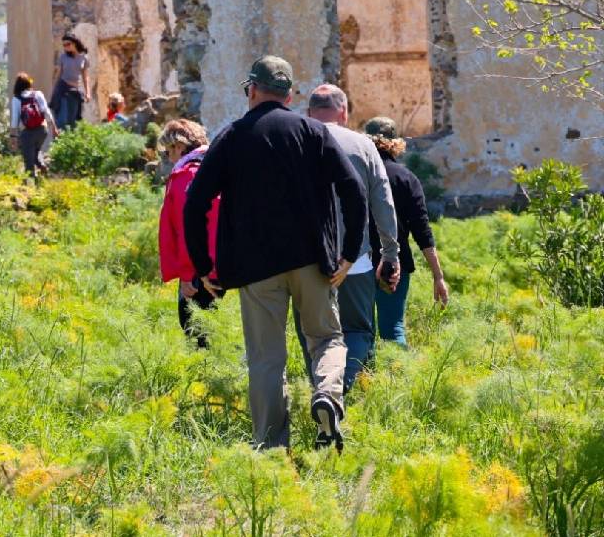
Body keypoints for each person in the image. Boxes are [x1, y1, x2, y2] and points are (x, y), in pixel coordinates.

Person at [183, 56, 367, 452]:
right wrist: (349, 253)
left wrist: (203, 267)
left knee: (266, 359)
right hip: (313, 263)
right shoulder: (312, 131)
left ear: (251, 89)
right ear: (289, 95)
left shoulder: (232, 136)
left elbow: (194, 202)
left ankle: (270, 449)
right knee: (327, 340)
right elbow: (353, 189)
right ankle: (327, 398)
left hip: (255, 269)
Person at [302, 85, 401, 392]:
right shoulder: (362, 145)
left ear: (309, 113)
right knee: (356, 330)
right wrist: (390, 252)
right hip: (355, 257)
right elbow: (383, 202)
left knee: (314, 333)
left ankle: (322, 391)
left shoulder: (297, 142)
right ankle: (341, 390)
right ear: (344, 112)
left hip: (306, 258)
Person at [364, 117, 450, 345]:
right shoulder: (405, 178)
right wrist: (438, 276)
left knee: (359, 332)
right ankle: (400, 376)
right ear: (395, 143)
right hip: (394, 263)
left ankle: (363, 378)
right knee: (393, 330)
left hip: (358, 262)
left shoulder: (356, 174)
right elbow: (422, 231)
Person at [158, 120, 220, 349]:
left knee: (196, 333)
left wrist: (187, 273)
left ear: (178, 146)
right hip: (214, 263)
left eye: (168, 150)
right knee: (208, 330)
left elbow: (189, 228)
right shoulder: (210, 167)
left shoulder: (187, 174)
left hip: (198, 268)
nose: (168, 156)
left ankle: (202, 382)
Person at [9, 73, 58, 179]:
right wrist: (54, 128)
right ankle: (42, 166)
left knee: (29, 162)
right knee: (36, 152)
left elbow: (14, 121)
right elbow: (46, 112)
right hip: (42, 131)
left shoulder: (16, 99)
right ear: (29, 84)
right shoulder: (38, 94)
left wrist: (13, 138)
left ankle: (31, 186)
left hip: (27, 133)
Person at [50, 34, 91, 130]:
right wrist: (54, 91)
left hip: (75, 91)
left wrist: (88, 93)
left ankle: (71, 141)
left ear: (75, 43)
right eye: (64, 45)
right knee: (63, 118)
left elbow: (86, 77)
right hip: (63, 88)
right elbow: (58, 74)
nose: (66, 47)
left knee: (74, 118)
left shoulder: (83, 58)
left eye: (68, 44)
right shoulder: (63, 57)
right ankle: (61, 139)